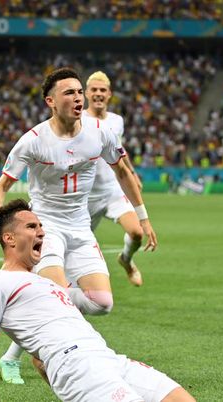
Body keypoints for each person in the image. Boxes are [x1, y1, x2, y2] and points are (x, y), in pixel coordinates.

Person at [0, 67, 157, 384]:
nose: (78, 98)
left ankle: (39, 300)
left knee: (101, 303)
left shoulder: (100, 132)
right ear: (50, 101)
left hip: (80, 226)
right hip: (46, 227)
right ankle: (38, 348)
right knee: (58, 301)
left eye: (80, 92)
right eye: (70, 93)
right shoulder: (33, 141)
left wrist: (143, 217)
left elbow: (122, 172)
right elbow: (1, 187)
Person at [0, 200, 194, 402]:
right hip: (77, 364)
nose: (41, 232)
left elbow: (39, 361)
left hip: (107, 357)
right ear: (9, 238)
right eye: (31, 227)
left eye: (41, 226)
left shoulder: (48, 283)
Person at [84, 71, 145, 286]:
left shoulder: (116, 121)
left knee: (137, 232)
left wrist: (132, 173)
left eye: (103, 90)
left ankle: (126, 260)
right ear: (86, 94)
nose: (98, 94)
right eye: (94, 90)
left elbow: (119, 149)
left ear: (109, 94)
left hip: (113, 190)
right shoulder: (78, 119)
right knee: (78, 247)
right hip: (87, 196)